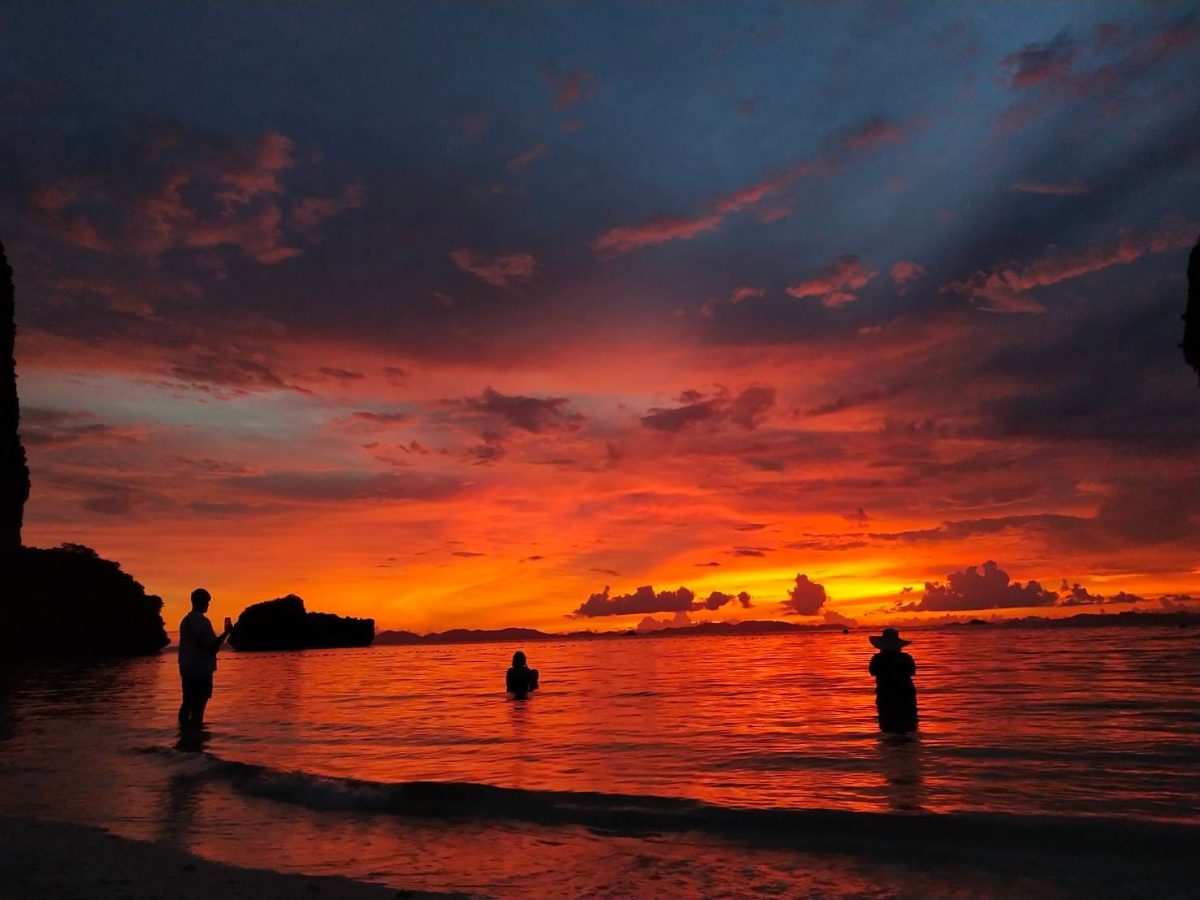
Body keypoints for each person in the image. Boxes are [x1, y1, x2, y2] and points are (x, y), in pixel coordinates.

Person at [178, 588, 232, 729]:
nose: (208, 605)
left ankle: (183, 734)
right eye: (207, 602)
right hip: (201, 669)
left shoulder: (186, 621)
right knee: (199, 706)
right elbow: (212, 647)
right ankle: (196, 738)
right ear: (201, 602)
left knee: (187, 702)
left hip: (187, 667)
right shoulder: (202, 621)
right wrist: (226, 633)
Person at [868, 628, 918, 733]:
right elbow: (912, 672)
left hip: (885, 694)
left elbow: (872, 672)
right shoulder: (906, 658)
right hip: (905, 694)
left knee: (887, 725)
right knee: (909, 724)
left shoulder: (877, 659)